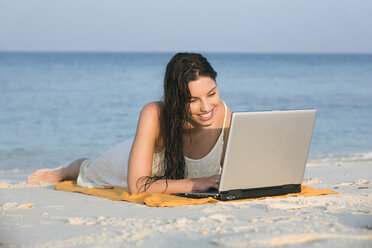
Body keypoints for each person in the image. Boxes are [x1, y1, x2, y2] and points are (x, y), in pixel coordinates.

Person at [28, 53, 232, 194]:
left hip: (151, 160)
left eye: (211, 94)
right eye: (192, 100)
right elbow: (137, 186)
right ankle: (61, 171)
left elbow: (234, 170)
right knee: (88, 169)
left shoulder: (223, 114)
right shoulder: (154, 113)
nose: (207, 107)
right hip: (125, 164)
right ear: (176, 100)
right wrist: (195, 184)